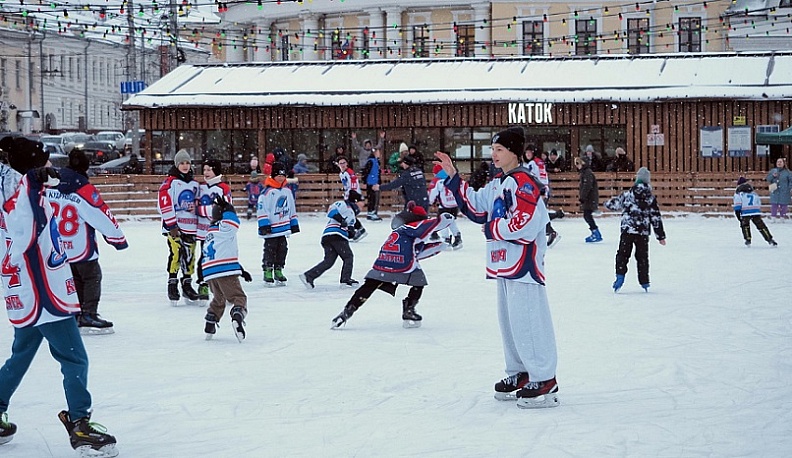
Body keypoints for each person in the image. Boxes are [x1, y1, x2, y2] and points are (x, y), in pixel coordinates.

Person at [0, 136, 118, 455]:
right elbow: (25, 232)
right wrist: (33, 184)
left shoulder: (22, 194)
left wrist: (36, 185)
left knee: (21, 355)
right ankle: (79, 422)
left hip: (26, 291)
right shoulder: (24, 199)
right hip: (43, 293)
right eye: (46, 161)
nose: (52, 165)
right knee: (74, 357)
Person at [435, 126, 560, 409]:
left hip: (524, 264)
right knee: (510, 322)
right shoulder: (497, 183)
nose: (494, 154)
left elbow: (526, 223)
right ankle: (521, 371)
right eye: (492, 149)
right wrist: (453, 176)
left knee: (528, 320)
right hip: (503, 262)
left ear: (514, 152)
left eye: (500, 149)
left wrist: (493, 228)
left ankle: (544, 377)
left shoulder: (524, 182)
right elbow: (476, 207)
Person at [330, 201, 453, 329]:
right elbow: (433, 224)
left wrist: (439, 245)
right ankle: (409, 310)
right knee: (419, 281)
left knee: (370, 285)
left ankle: (347, 311)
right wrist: (444, 220)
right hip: (401, 263)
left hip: (383, 262)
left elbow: (416, 251)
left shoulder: (400, 231)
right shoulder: (415, 226)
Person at [46, 149, 129, 334]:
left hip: (58, 246)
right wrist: (117, 238)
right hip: (80, 245)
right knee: (92, 277)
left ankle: (76, 312)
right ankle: (88, 314)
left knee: (74, 278)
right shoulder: (83, 189)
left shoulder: (51, 186)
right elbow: (100, 214)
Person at [604, 167, 667, 293]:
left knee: (623, 254)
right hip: (642, 232)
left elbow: (614, 204)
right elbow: (655, 217)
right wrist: (660, 236)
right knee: (642, 257)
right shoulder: (650, 198)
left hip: (628, 229)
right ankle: (644, 282)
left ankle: (620, 277)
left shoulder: (628, 195)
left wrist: (606, 203)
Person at [202, 196, 253, 342]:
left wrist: (240, 269)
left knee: (219, 298)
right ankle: (237, 316)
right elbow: (234, 221)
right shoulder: (225, 227)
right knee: (238, 297)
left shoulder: (210, 233)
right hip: (223, 269)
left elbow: (221, 252)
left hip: (209, 271)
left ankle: (211, 320)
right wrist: (229, 209)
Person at [158, 149, 201, 305]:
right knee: (176, 254)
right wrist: (171, 225)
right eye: (182, 163)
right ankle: (172, 283)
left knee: (189, 255)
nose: (185, 166)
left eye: (187, 163)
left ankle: (187, 284)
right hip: (175, 227)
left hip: (191, 227)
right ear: (176, 165)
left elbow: (199, 204)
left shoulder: (194, 183)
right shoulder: (170, 183)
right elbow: (164, 204)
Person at [299, 190, 364, 289]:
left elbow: (350, 229)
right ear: (355, 201)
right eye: (362, 202)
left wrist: (352, 232)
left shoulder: (352, 216)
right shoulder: (343, 204)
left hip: (329, 236)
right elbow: (331, 212)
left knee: (329, 261)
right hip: (336, 235)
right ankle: (345, 279)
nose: (363, 206)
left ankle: (309, 276)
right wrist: (341, 220)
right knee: (348, 257)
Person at [195, 159, 233, 304]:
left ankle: (224, 288)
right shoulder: (200, 188)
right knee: (205, 257)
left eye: (209, 169)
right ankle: (203, 284)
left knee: (221, 258)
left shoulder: (223, 188)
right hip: (204, 231)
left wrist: (200, 210)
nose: (206, 173)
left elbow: (223, 209)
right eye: (204, 170)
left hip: (218, 231)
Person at [257, 162, 300, 286]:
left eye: (283, 176)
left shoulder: (287, 191)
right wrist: (264, 224)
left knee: (282, 250)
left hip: (284, 227)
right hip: (272, 228)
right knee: (270, 250)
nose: (281, 178)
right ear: (273, 176)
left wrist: (293, 222)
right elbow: (262, 209)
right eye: (278, 175)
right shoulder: (267, 192)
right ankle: (268, 270)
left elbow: (291, 207)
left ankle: (278, 269)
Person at [524, 144, 560, 248]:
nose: (528, 154)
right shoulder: (540, 162)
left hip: (538, 192)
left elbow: (532, 178)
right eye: (526, 153)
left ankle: (550, 232)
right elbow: (543, 177)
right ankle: (547, 232)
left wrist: (541, 191)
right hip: (543, 190)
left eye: (529, 152)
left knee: (537, 215)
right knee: (539, 214)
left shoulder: (532, 164)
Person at [733, 176, 777, 247]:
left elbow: (737, 205)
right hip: (755, 211)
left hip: (745, 212)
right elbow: (758, 202)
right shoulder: (753, 193)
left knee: (745, 226)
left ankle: (748, 239)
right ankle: (770, 239)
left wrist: (738, 215)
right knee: (761, 226)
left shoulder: (738, 194)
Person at [428, 163, 462, 249]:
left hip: (444, 205)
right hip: (454, 204)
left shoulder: (437, 181)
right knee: (451, 220)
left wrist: (430, 201)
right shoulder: (452, 177)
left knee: (442, 222)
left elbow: (433, 193)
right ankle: (457, 237)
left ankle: (446, 239)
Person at [337, 156, 367, 242]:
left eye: (344, 163)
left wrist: (352, 195)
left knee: (349, 213)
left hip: (353, 195)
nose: (342, 165)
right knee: (348, 214)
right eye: (340, 163)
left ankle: (359, 229)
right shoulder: (341, 174)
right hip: (348, 195)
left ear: (347, 163)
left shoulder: (349, 172)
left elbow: (353, 184)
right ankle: (352, 231)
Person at [575, 155, 602, 243]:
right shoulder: (585, 172)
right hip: (589, 198)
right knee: (587, 215)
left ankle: (596, 233)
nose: (577, 166)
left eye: (578, 163)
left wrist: (583, 197)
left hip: (590, 198)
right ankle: (595, 232)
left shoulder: (587, 173)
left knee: (587, 215)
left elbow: (587, 186)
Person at [362, 146, 383, 221]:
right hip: (371, 182)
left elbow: (378, 173)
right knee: (371, 198)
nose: (379, 154)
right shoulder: (371, 161)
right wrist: (364, 181)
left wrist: (379, 181)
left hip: (375, 182)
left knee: (374, 199)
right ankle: (371, 213)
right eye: (378, 152)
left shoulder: (376, 161)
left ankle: (373, 212)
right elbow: (365, 171)